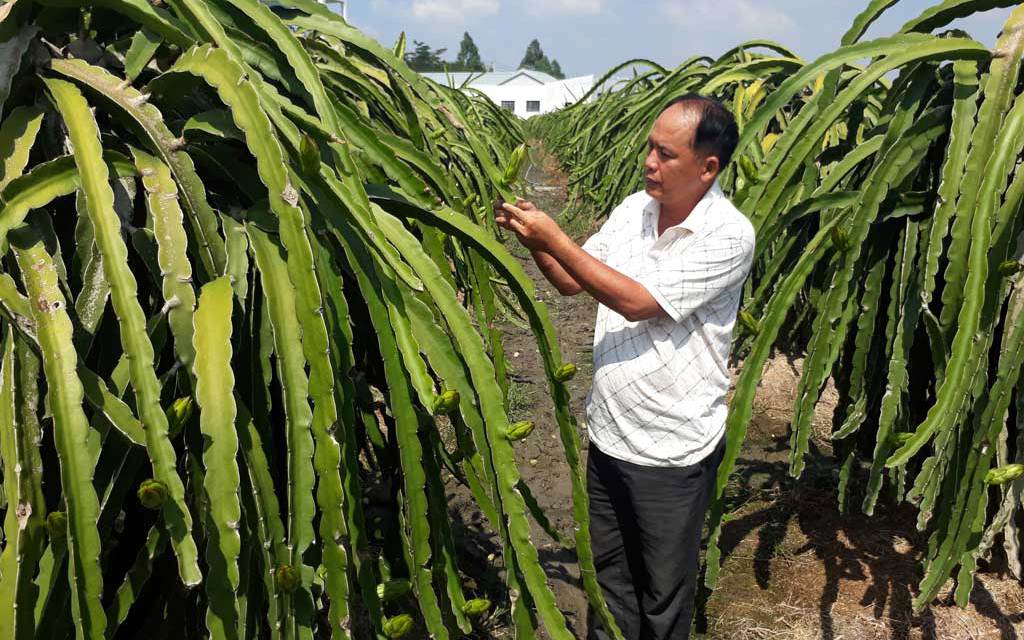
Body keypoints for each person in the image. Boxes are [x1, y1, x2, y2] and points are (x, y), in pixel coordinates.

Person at [494, 93, 755, 640]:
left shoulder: (729, 235)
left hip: (671, 450)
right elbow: (571, 280)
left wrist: (556, 237)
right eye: (649, 149)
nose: (650, 163)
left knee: (662, 596)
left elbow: (638, 302)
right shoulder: (634, 209)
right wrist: (537, 241)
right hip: (610, 434)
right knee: (610, 586)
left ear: (708, 167)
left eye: (665, 154)